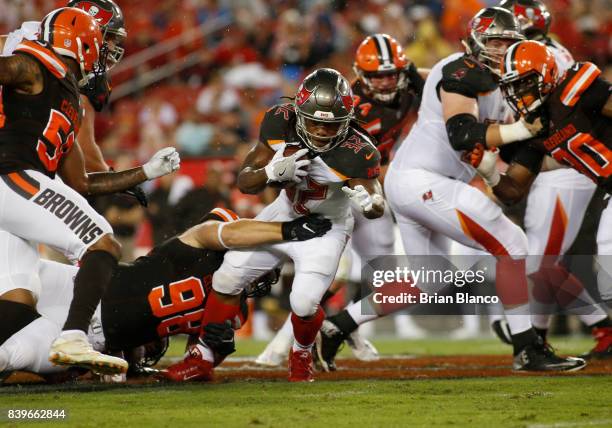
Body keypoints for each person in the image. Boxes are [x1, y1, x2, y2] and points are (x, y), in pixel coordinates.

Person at [316, 7, 585, 372]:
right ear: (476, 42)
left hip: (421, 182)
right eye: (494, 40)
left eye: (508, 41)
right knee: (514, 244)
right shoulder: (460, 69)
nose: (499, 48)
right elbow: (462, 133)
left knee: (431, 280)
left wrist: (504, 169)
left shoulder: (509, 86)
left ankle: (338, 326)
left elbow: (511, 168)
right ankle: (527, 348)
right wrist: (521, 132)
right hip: (421, 180)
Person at [164, 68, 384, 382]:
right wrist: (269, 173)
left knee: (304, 302)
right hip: (283, 214)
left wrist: (372, 203)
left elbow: (376, 202)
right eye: (314, 121)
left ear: (346, 120)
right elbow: (245, 181)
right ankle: (204, 357)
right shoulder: (280, 119)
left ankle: (302, 352)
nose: (321, 130)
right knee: (227, 278)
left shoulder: (359, 152)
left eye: (330, 124)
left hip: (327, 226)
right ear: (298, 112)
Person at [0, 7, 179, 375]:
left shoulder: (69, 98)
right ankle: (74, 335)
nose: (105, 54)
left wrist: (143, 172)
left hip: (19, 198)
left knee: (18, 307)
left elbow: (80, 182)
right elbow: (8, 68)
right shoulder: (36, 64)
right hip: (11, 177)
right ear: (82, 42)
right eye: (101, 43)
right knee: (102, 242)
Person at [255, 33, 427, 367]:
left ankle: (344, 326)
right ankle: (280, 345)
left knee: (387, 279)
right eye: (377, 75)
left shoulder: (409, 88)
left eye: (392, 74)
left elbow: (437, 81)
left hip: (369, 191)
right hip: (335, 192)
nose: (386, 82)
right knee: (334, 273)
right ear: (361, 75)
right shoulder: (349, 105)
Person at [0, 209, 332, 377]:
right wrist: (285, 230)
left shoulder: (231, 307)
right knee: (11, 251)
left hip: (93, 337)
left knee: (9, 357)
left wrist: (212, 348)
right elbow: (228, 231)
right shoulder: (196, 242)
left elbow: (195, 362)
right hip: (79, 286)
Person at [472, 39, 612, 358]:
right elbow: (512, 192)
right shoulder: (535, 129)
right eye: (513, 87)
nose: (519, 94)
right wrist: (490, 172)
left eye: (525, 84)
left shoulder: (576, 89)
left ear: (547, 74)